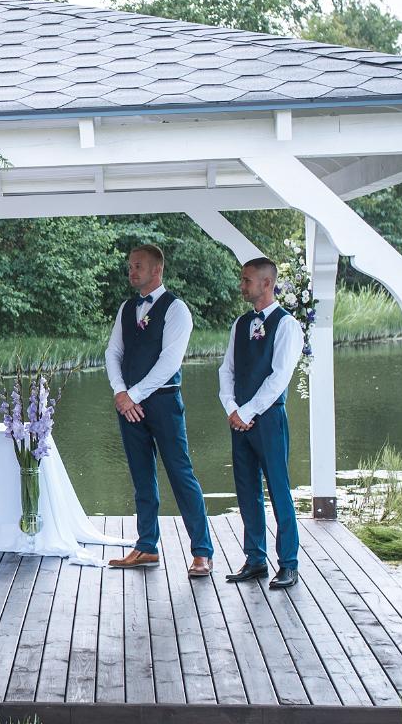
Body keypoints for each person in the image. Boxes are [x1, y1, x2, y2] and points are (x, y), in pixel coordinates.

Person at [105, 246, 214, 578]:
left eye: (137, 266)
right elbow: (112, 352)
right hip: (129, 406)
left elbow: (169, 363)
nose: (131, 271)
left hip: (163, 402)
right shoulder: (127, 308)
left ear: (157, 270)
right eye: (129, 266)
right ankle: (147, 546)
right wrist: (120, 393)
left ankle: (201, 552)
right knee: (141, 478)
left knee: (181, 474)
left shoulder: (177, 309)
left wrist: (132, 394)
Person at [219, 258, 305, 590]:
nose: (242, 285)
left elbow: (279, 377)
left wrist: (249, 410)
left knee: (279, 489)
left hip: (268, 419)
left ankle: (288, 563)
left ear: (266, 283)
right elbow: (226, 370)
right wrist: (232, 407)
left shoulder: (286, 325)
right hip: (238, 418)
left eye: (247, 280)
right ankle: (255, 559)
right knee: (247, 490)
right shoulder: (240, 324)